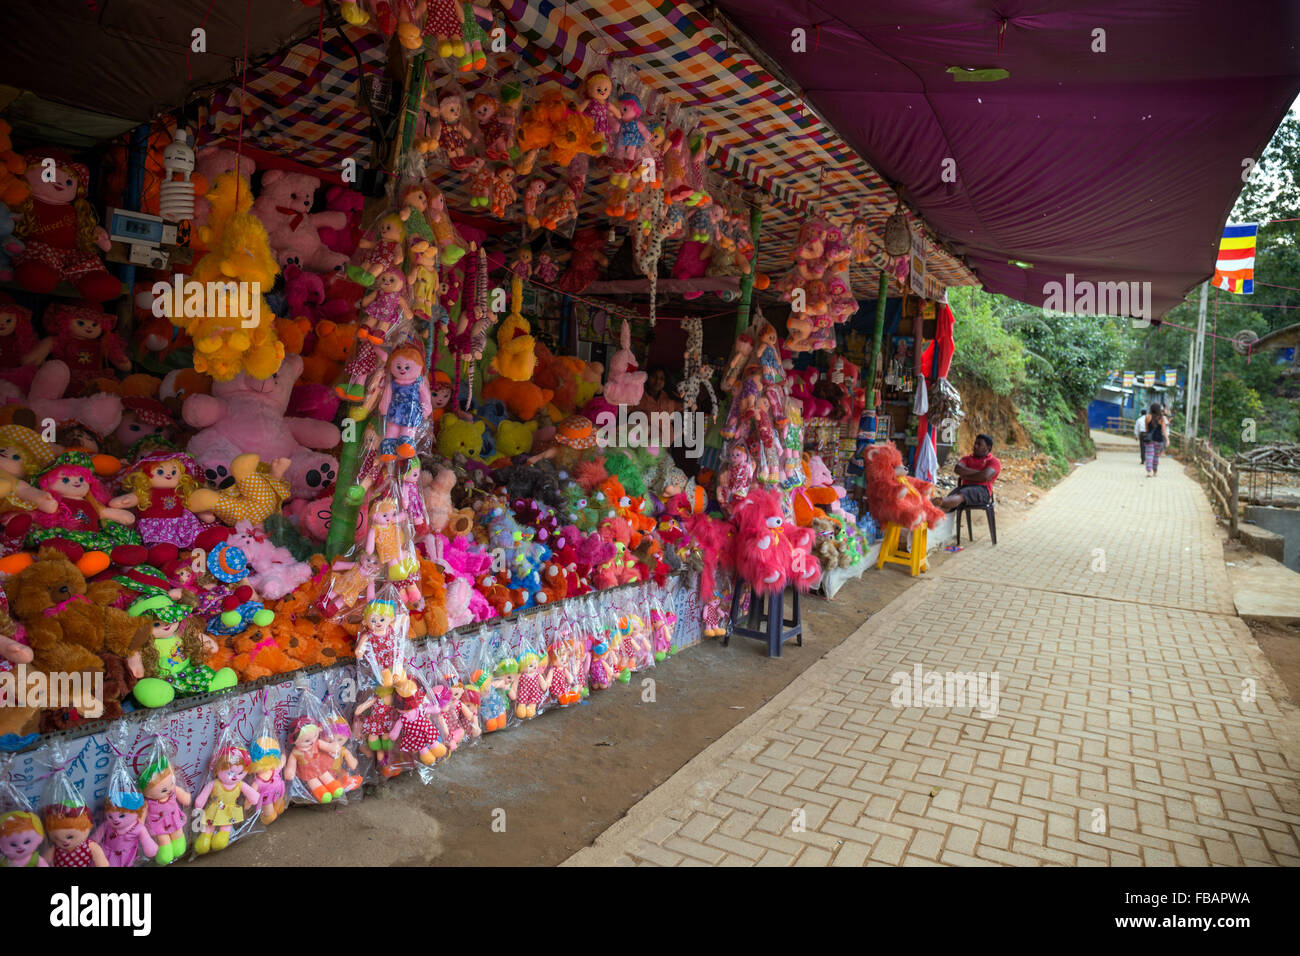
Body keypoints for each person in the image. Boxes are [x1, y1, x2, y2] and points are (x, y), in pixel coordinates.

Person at [934, 434, 1000, 512]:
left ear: (988, 447)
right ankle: (931, 512)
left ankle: (931, 502)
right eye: (975, 443)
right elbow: (957, 469)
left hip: (982, 491)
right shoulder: (967, 458)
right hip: (964, 488)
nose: (975, 446)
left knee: (960, 496)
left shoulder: (994, 461)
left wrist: (967, 477)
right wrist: (980, 473)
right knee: (948, 505)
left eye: (979, 444)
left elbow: (985, 476)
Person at [1142, 402, 1168, 477]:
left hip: (1149, 439)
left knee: (1149, 455)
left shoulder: (1147, 416)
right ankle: (1155, 472)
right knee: (1156, 456)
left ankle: (1148, 472)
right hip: (1158, 439)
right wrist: (1167, 439)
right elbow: (1164, 430)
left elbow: (1146, 428)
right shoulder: (1161, 418)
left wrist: (1148, 435)